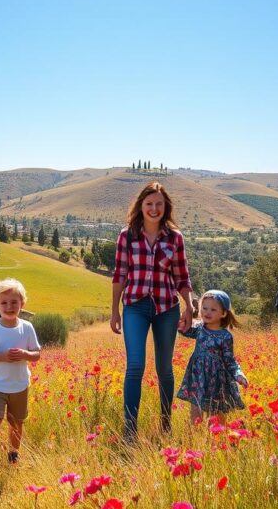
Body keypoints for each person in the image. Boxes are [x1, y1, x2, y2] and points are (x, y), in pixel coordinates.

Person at [110, 182, 193, 441]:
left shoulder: (174, 237)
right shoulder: (127, 235)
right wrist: (115, 310)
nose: (154, 209)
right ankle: (130, 430)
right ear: (141, 206)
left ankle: (165, 425)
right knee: (135, 366)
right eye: (149, 204)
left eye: (159, 204)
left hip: (167, 307)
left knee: (164, 369)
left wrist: (190, 306)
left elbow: (182, 276)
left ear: (165, 206)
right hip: (135, 305)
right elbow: (120, 274)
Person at [0, 278, 41, 467]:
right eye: (4, 303)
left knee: (16, 422)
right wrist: (3, 356)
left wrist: (25, 354)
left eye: (14, 302)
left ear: (22, 303)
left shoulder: (27, 328)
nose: (9, 306)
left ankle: (14, 454)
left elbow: (37, 354)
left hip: (20, 385)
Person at [177, 290, 248, 424]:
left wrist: (239, 374)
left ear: (224, 313)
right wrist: (180, 320)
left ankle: (216, 439)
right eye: (204, 308)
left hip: (216, 380)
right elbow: (184, 329)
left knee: (215, 413)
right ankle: (195, 438)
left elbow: (230, 360)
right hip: (197, 376)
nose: (207, 312)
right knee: (195, 407)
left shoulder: (226, 337)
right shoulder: (199, 329)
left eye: (213, 309)